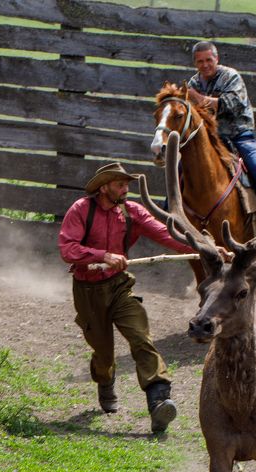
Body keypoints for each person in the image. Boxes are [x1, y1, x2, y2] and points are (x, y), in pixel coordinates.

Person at [58, 162, 195, 434]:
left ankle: (159, 400)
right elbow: (67, 248)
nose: (125, 189)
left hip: (119, 286)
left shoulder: (132, 212)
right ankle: (105, 380)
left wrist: (210, 247)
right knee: (103, 353)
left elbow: (167, 234)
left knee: (141, 337)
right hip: (87, 291)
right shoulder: (81, 210)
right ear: (104, 186)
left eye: (127, 184)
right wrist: (103, 256)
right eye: (120, 184)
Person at [186, 40, 256, 224]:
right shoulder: (194, 82)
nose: (205, 65)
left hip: (239, 134)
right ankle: (171, 210)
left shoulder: (231, 77)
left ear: (216, 59)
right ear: (195, 63)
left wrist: (198, 98)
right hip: (211, 138)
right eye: (200, 61)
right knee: (183, 165)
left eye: (209, 59)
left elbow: (230, 104)